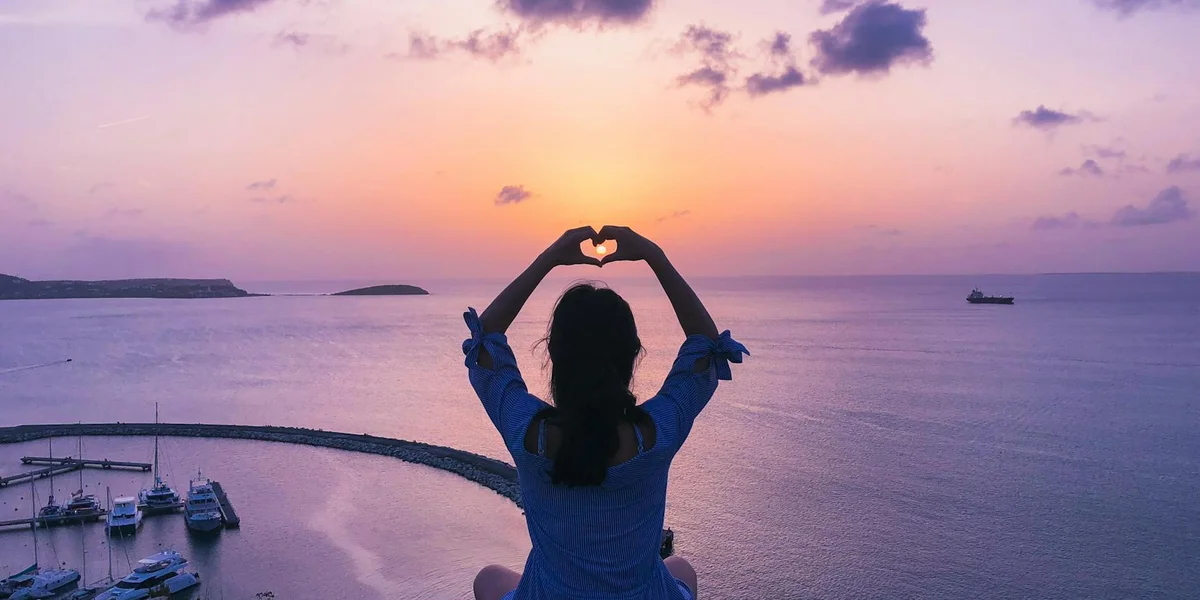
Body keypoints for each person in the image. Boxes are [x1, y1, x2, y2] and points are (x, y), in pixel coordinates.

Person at [463, 225, 748, 600]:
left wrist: (549, 258)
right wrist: (653, 255)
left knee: (488, 579)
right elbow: (709, 347)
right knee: (680, 568)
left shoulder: (527, 431)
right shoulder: (658, 432)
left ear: (554, 356)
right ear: (632, 355)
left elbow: (484, 343)